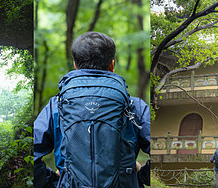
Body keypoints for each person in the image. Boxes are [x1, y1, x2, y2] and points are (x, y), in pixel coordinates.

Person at [34, 31, 150, 188]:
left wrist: (53, 181)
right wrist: (141, 177)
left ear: (75, 65)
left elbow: (32, 156)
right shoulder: (135, 106)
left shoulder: (56, 105)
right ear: (112, 65)